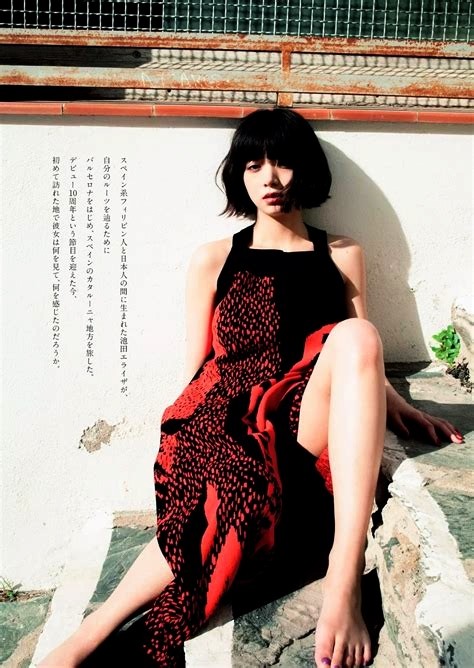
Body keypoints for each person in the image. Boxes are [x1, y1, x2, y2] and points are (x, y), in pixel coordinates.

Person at [38, 108, 463, 668]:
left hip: (302, 410)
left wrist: (395, 401)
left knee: (358, 334)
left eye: (283, 162)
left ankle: (343, 584)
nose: (271, 178)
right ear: (238, 175)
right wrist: (198, 434)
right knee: (225, 476)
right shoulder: (214, 258)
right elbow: (198, 366)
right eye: (254, 164)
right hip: (228, 408)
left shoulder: (341, 253)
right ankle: (88, 636)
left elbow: (360, 350)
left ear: (306, 169)